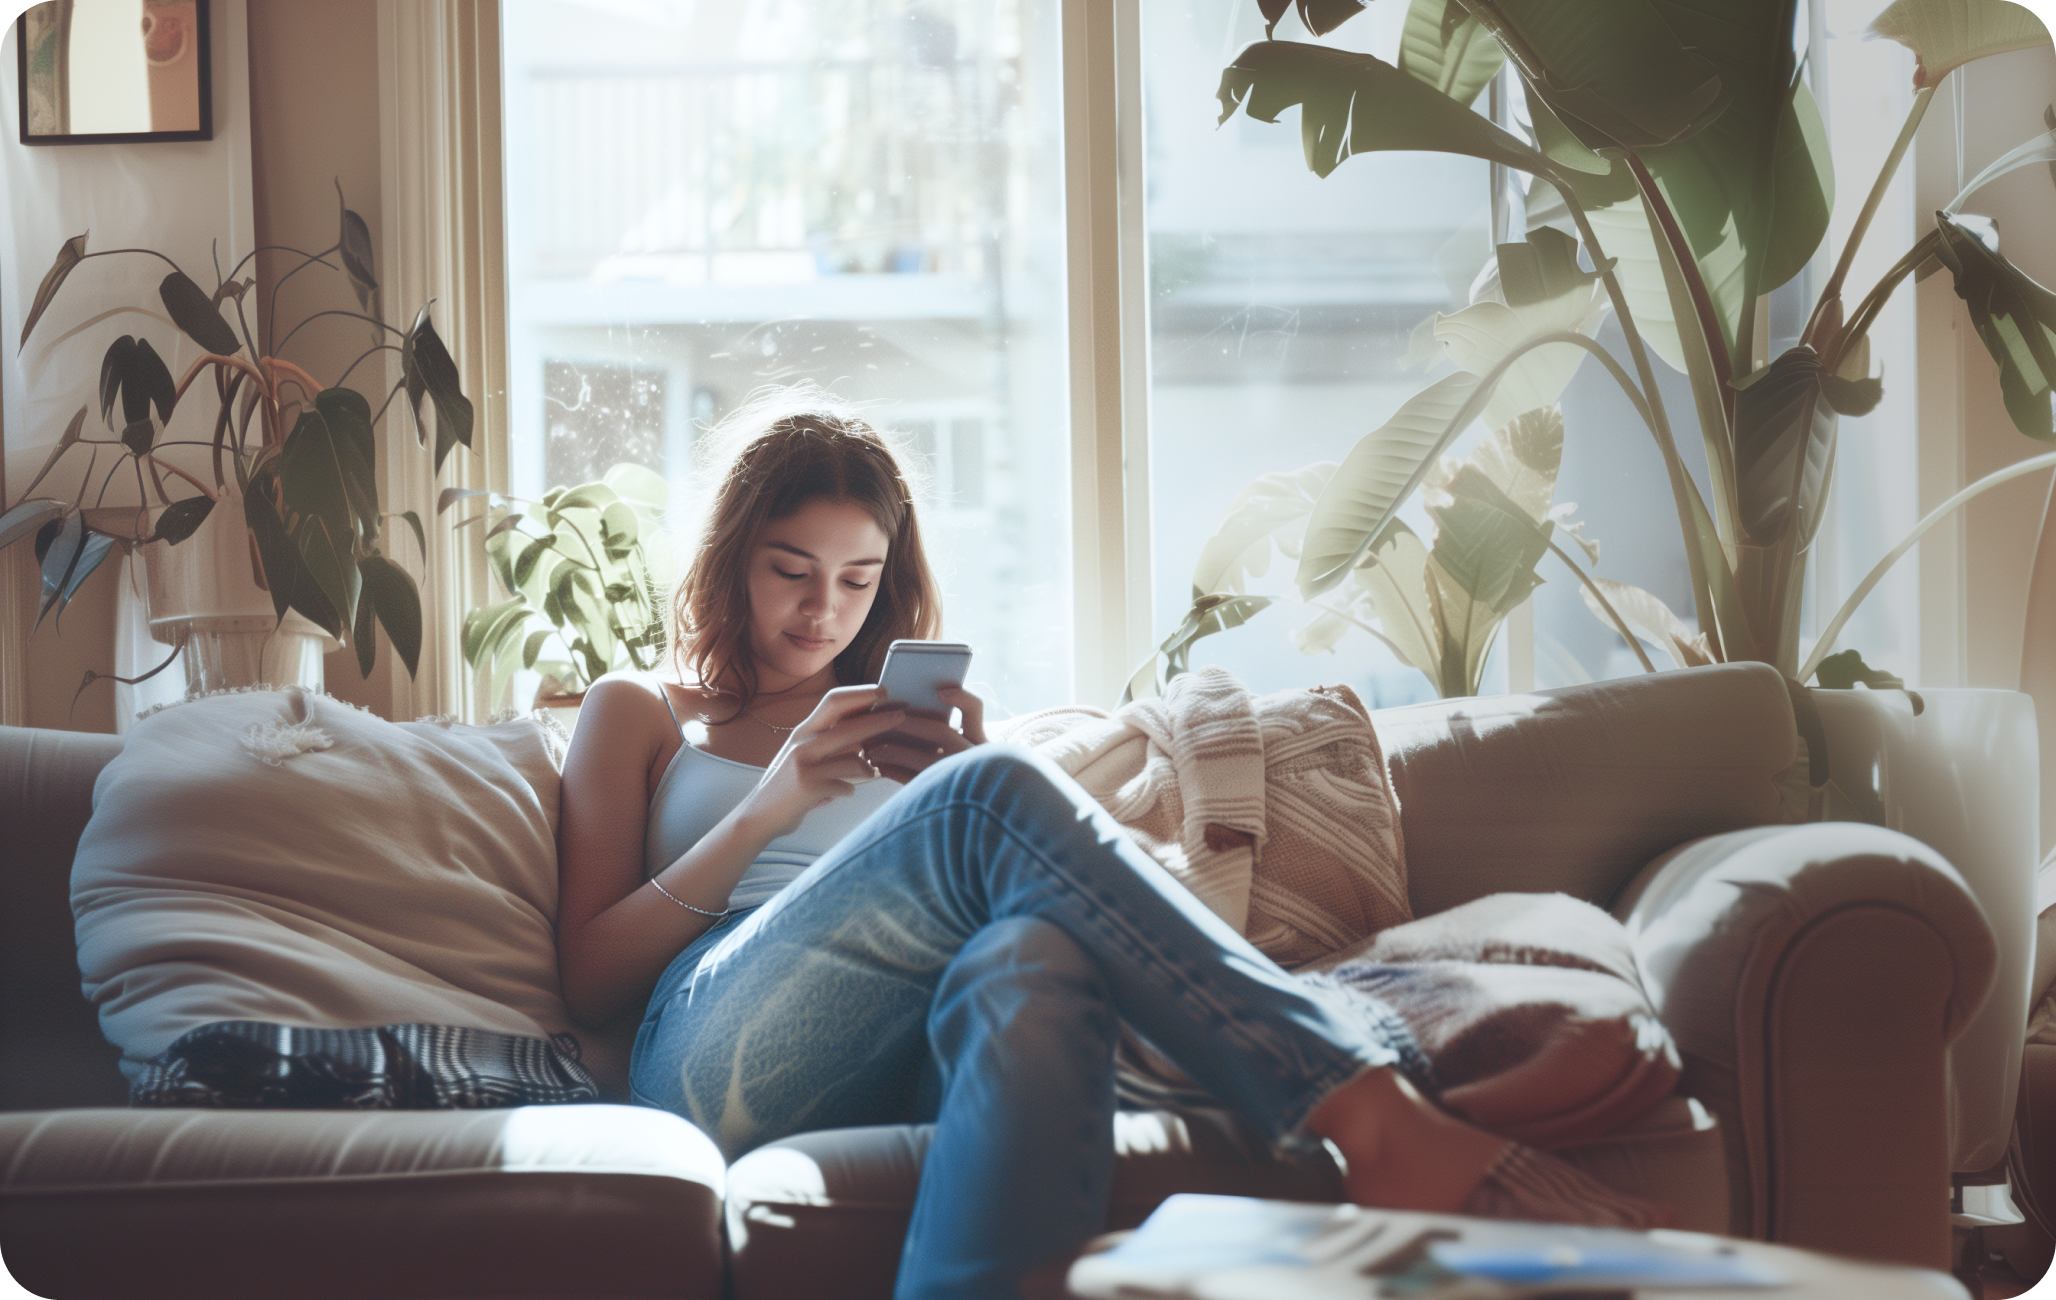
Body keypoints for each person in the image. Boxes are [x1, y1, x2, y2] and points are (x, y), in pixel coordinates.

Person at [556, 387, 1663, 1300]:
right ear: (733, 556)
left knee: (1033, 960)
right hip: (705, 1050)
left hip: (900, 1047)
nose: (823, 612)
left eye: (856, 581)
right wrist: (771, 805)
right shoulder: (642, 708)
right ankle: (1372, 1119)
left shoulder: (889, 719)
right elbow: (591, 972)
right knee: (998, 792)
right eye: (791, 571)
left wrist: (941, 795)